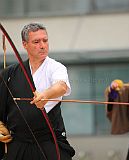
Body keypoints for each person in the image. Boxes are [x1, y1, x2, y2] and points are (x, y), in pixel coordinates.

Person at [0, 23, 75, 160]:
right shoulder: (10, 73)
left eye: (45, 40)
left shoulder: (56, 67)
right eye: (36, 41)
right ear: (25, 44)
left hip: (48, 141)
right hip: (17, 143)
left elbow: (61, 86)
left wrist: (45, 95)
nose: (42, 45)